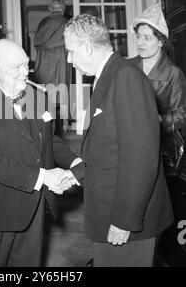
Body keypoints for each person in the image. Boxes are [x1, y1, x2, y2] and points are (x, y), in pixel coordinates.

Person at [0, 39, 80, 267]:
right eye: (17, 67)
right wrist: (44, 177)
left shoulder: (35, 96)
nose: (25, 72)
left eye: (26, 64)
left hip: (32, 206)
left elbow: (49, 139)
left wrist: (75, 161)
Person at [64, 14, 174, 267]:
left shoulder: (125, 76)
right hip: (110, 210)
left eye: (70, 51)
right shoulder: (107, 76)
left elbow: (140, 156)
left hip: (126, 220)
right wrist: (75, 174)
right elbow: (107, 147)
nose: (69, 59)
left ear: (87, 48)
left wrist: (124, 220)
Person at [130, 3, 186, 156]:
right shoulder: (126, 67)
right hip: (128, 141)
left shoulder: (174, 74)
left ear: (160, 41)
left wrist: (159, 120)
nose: (140, 43)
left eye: (147, 38)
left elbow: (181, 116)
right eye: (139, 36)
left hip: (159, 147)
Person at [33, 0, 71, 134]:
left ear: (50, 9)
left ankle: (45, 126)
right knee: (62, 89)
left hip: (44, 61)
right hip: (61, 61)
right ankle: (65, 124)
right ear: (63, 9)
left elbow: (37, 42)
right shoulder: (67, 23)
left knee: (44, 93)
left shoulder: (43, 23)